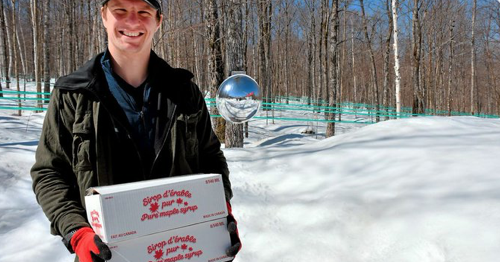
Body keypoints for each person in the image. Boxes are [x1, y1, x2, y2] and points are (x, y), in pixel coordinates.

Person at [30, 0, 241, 261]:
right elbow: (49, 173)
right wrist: (76, 232)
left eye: (143, 12)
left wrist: (220, 211)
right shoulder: (72, 95)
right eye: (120, 10)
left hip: (184, 251)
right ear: (104, 16)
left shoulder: (184, 92)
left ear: (158, 21)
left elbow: (210, 158)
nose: (132, 21)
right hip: (106, 255)